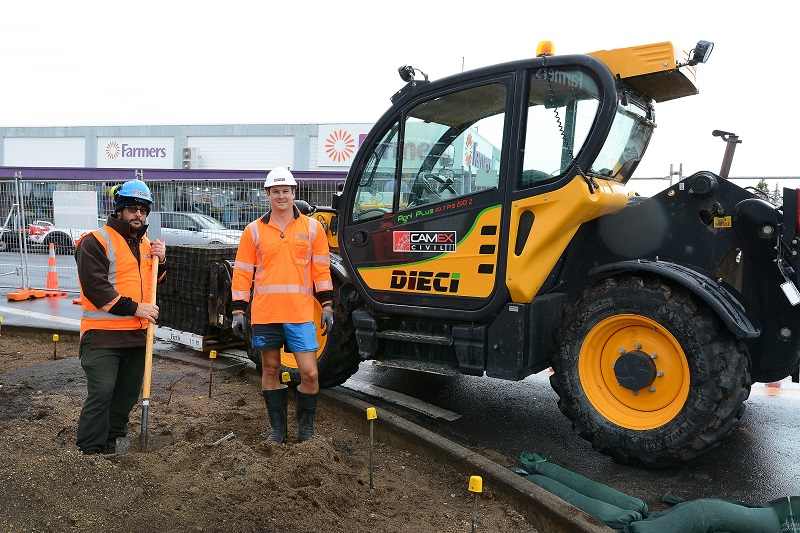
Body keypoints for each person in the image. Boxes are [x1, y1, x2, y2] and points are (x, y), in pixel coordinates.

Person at [230, 167, 334, 443]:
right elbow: (242, 272)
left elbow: (321, 271)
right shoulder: (253, 231)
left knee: (310, 373)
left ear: (293, 193)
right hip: (266, 313)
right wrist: (238, 310)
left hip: (300, 313)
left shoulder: (313, 228)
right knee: (271, 369)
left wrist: (327, 305)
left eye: (285, 191)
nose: (281, 196)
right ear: (267, 194)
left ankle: (306, 431)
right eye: (275, 191)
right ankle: (277, 431)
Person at [74, 179, 167, 455]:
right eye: (132, 208)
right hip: (102, 336)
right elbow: (96, 288)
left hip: (136, 336)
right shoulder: (95, 241)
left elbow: (151, 284)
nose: (138, 214)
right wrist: (136, 309)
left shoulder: (147, 244)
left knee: (126, 396)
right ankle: (89, 451)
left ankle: (113, 443)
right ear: (119, 209)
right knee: (102, 392)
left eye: (143, 209)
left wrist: (160, 263)